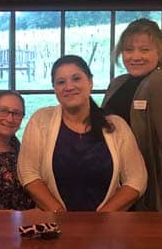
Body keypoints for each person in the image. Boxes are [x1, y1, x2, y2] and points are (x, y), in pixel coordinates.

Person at [17, 55, 147, 212]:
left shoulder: (116, 126)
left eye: (76, 79)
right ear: (55, 89)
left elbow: (136, 179)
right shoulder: (40, 120)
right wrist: (58, 213)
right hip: (54, 227)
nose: (69, 87)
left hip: (107, 229)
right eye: (61, 82)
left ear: (90, 82)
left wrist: (103, 216)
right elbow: (28, 172)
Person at [102, 19, 162, 211]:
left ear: (159, 53)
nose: (135, 56)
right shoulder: (117, 83)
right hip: (115, 184)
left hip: (148, 189)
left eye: (144, 50)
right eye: (128, 49)